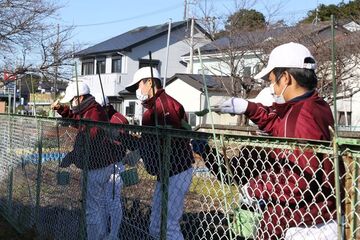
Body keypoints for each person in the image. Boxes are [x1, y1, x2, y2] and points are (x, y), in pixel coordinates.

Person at [205, 42, 343, 239]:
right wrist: (248, 107)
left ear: (286, 78)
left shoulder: (303, 116)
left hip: (304, 224)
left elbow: (299, 181)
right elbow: (276, 122)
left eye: (272, 81)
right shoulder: (310, 105)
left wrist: (254, 187)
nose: (273, 87)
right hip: (303, 216)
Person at [125, 67, 194, 240]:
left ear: (149, 82)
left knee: (167, 225)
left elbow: (165, 140)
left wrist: (139, 146)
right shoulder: (154, 107)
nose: (137, 91)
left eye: (138, 85)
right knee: (156, 225)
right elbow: (152, 141)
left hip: (175, 170)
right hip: (166, 171)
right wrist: (140, 148)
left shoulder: (162, 106)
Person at [51, 82, 125, 240]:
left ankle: (96, 237)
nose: (72, 104)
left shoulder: (94, 112)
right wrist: (62, 110)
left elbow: (90, 138)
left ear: (80, 97)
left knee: (93, 208)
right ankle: (103, 235)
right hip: (101, 164)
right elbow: (76, 119)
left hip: (97, 166)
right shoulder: (89, 110)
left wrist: (73, 155)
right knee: (99, 205)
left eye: (73, 100)